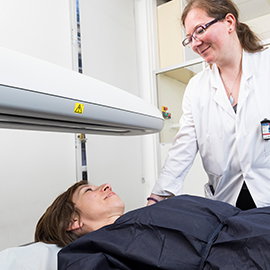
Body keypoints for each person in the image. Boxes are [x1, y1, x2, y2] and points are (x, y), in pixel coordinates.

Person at [147, 0, 270, 210]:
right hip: (228, 202)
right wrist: (158, 196)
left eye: (200, 30)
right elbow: (182, 147)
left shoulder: (266, 65)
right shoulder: (197, 88)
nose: (195, 43)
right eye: (189, 39)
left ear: (229, 22)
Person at [57, 181, 270, 269]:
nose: (105, 186)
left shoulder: (137, 218)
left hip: (255, 223)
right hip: (247, 254)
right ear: (72, 221)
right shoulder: (87, 251)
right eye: (88, 191)